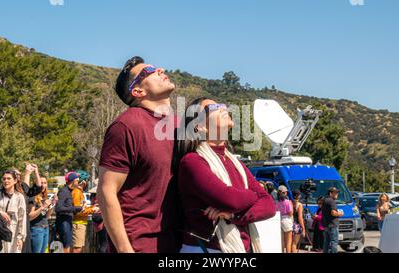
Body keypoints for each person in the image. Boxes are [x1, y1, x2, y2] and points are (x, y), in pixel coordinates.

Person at [98, 56, 181, 253]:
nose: (160, 69)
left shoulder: (180, 125)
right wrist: (124, 248)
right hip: (141, 244)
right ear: (138, 91)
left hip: (181, 242)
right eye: (150, 71)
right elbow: (106, 191)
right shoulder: (127, 126)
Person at [176, 98, 276, 253]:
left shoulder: (235, 162)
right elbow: (230, 200)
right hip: (207, 248)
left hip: (238, 248)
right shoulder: (192, 162)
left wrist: (232, 216)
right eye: (214, 107)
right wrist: (254, 195)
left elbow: (269, 205)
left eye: (222, 104)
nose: (223, 108)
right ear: (200, 126)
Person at [0, 170, 27, 253]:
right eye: (4, 179)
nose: (6, 181)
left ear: (15, 181)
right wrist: (0, 212)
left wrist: (20, 237)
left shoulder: (19, 197)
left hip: (13, 234)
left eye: (8, 178)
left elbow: (22, 218)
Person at [56, 172, 82, 253]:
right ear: (72, 181)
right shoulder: (64, 192)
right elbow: (59, 208)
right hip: (64, 222)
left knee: (67, 246)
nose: (78, 182)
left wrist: (79, 209)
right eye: (77, 180)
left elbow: (68, 208)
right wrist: (76, 208)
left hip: (68, 221)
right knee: (65, 246)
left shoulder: (70, 191)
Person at [28, 177, 55, 253]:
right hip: (36, 229)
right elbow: (30, 216)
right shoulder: (33, 197)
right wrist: (42, 207)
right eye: (41, 183)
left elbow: (46, 216)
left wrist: (52, 205)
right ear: (36, 184)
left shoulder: (44, 196)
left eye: (45, 183)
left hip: (45, 228)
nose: (43, 185)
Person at [71, 180, 98, 253]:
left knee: (80, 247)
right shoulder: (77, 192)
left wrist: (92, 207)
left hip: (80, 223)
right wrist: (92, 210)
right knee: (77, 248)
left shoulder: (79, 192)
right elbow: (77, 211)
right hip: (78, 223)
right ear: (83, 182)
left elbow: (82, 208)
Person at [322, 187, 343, 253]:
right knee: (334, 243)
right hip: (332, 225)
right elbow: (333, 213)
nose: (337, 194)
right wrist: (340, 213)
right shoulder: (331, 201)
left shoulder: (325, 200)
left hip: (326, 225)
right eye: (335, 193)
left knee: (326, 243)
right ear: (331, 193)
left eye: (337, 192)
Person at [276, 185, 293, 253]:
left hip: (279, 220)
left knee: (282, 241)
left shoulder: (277, 202)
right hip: (286, 220)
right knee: (288, 241)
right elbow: (290, 213)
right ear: (285, 193)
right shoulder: (287, 202)